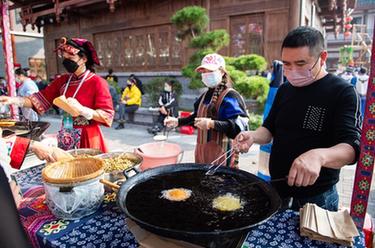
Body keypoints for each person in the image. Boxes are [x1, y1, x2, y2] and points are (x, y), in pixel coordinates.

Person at [234, 26, 361, 211]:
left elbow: (351, 147)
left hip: (318, 194)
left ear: (322, 57)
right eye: (286, 64)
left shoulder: (342, 92)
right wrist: (253, 136)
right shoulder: (285, 89)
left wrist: (319, 156)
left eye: (301, 64)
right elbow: (268, 130)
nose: (292, 70)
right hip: (278, 185)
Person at [0, 37, 114, 152]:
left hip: (88, 135)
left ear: (84, 58)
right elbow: (39, 100)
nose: (67, 61)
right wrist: (13, 100)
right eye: (65, 58)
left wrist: (83, 110)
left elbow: (107, 115)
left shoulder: (97, 82)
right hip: (67, 133)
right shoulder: (62, 81)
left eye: (71, 57)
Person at [165, 53, 248, 167]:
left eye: (210, 71)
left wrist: (211, 124)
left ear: (222, 72)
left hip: (221, 154)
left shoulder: (230, 96)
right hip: (202, 151)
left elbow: (237, 127)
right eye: (203, 72)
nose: (206, 75)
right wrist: (177, 121)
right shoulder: (204, 95)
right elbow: (196, 118)